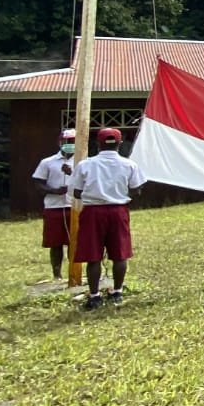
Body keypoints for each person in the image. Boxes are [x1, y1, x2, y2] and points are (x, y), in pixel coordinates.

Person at [72, 127, 146, 309]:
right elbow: (136, 188)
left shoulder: (85, 165)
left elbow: (76, 191)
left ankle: (95, 295)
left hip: (93, 212)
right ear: (120, 144)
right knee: (120, 254)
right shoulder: (129, 165)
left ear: (98, 143)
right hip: (118, 211)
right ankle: (117, 292)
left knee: (93, 255)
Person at [32, 128, 75, 280]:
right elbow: (38, 183)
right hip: (54, 207)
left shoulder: (84, 161)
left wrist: (72, 173)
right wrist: (54, 191)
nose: (69, 144)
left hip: (76, 207)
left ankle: (74, 273)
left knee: (74, 243)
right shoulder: (47, 162)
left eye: (72, 141)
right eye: (66, 141)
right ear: (59, 142)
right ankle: (57, 275)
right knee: (56, 243)